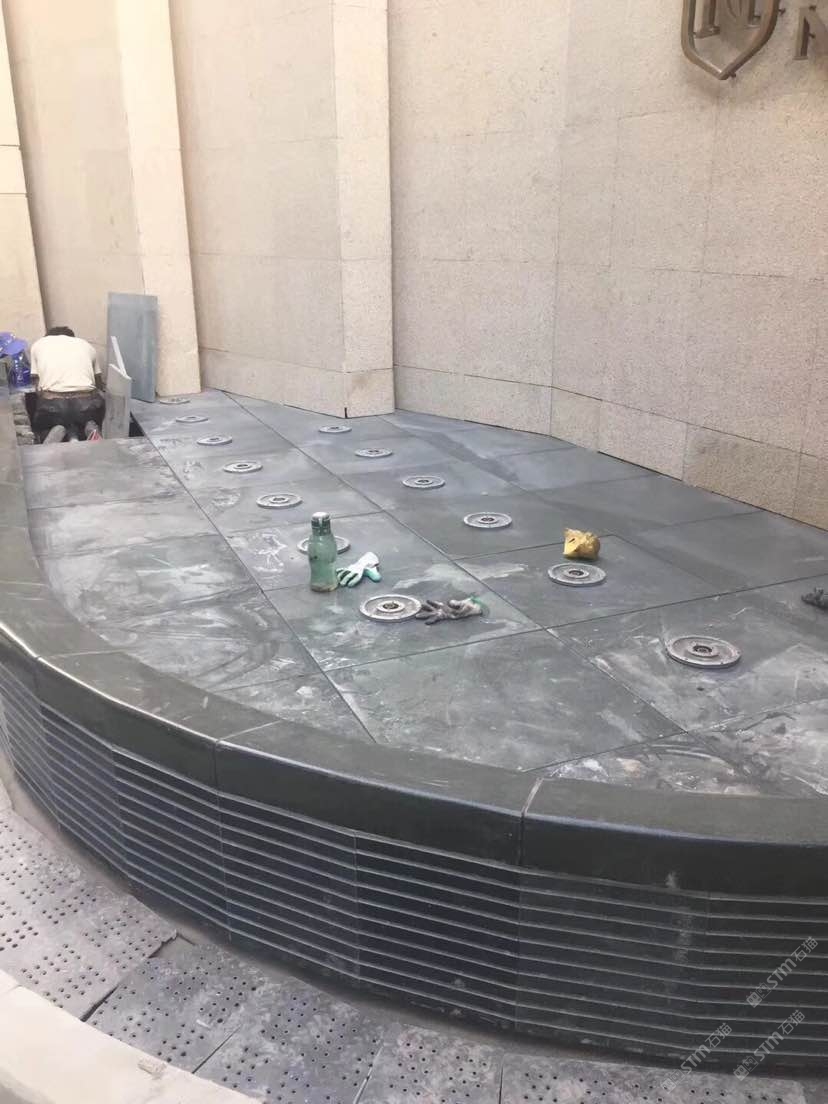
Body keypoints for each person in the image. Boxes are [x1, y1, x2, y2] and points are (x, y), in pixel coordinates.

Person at [30, 326, 105, 443]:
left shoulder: (38, 344)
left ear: (48, 337)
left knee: (43, 424)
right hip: (85, 403)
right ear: (72, 337)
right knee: (86, 417)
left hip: (53, 404)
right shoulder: (86, 345)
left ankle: (53, 432)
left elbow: (36, 384)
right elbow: (98, 384)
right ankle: (90, 429)